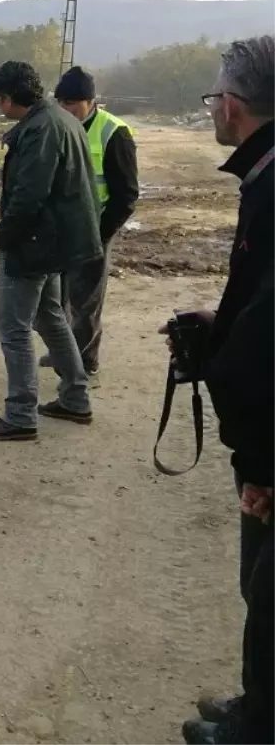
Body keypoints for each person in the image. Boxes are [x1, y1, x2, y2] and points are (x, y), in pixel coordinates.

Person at [175, 36, 275, 745]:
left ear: (233, 106)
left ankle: (256, 728)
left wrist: (264, 462)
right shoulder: (264, 177)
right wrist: (221, 319)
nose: (213, 108)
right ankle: (255, 704)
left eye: (214, 98)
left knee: (270, 594)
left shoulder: (272, 187)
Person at [0, 61, 102, 442]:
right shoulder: (60, 120)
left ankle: (20, 415)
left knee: (12, 328)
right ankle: (75, 398)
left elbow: (29, 194)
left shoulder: (41, 129)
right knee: (49, 316)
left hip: (34, 244)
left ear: (8, 98)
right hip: (55, 242)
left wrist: (5, 235)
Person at [39, 66, 140, 387]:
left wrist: (101, 233)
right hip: (60, 230)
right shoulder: (56, 127)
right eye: (61, 103)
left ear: (91, 101)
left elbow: (126, 194)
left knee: (86, 302)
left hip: (94, 232)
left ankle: (84, 363)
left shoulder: (114, 132)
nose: (66, 109)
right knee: (60, 297)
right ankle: (64, 352)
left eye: (72, 103)